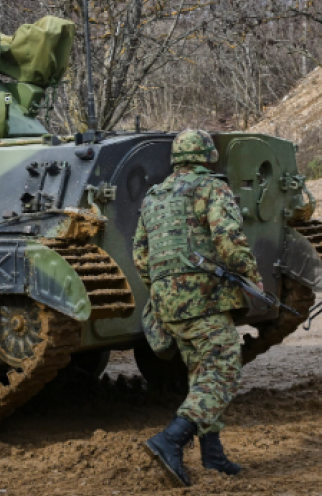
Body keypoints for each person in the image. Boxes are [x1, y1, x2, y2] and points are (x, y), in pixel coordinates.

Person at [134, 130, 257, 487]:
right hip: (204, 299)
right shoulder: (211, 187)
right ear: (207, 157)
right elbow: (229, 240)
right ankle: (171, 439)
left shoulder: (154, 196)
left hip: (167, 303)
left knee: (200, 374)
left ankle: (213, 455)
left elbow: (141, 255)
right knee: (223, 370)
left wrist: (165, 289)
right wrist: (251, 276)